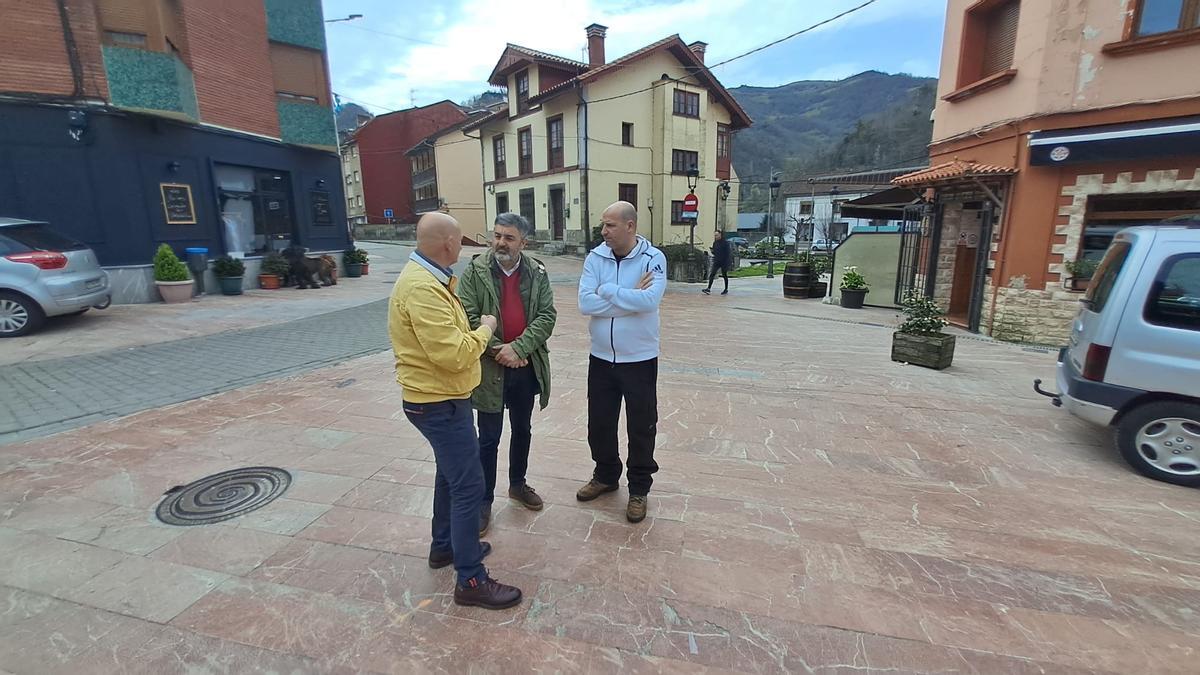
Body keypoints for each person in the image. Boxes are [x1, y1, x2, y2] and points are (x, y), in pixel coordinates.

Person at [387, 211, 522, 610]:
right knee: (467, 486)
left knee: (450, 476)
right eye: (461, 241)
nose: (463, 248)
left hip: (442, 397)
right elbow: (454, 352)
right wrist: (485, 327)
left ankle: (444, 545)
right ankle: (471, 579)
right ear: (447, 244)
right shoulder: (423, 288)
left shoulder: (432, 279)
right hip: (437, 401)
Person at [457, 213, 557, 535]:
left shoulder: (537, 272)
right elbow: (468, 316)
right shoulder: (475, 271)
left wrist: (520, 349)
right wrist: (501, 350)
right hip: (489, 370)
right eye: (497, 235)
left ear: (523, 243)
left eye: (508, 237)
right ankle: (483, 501)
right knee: (487, 438)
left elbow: (546, 316)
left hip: (525, 366)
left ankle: (517, 484)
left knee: (522, 430)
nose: (500, 242)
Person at [576, 201, 667, 523]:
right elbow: (585, 304)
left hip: (639, 359)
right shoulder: (595, 257)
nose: (604, 232)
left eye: (610, 225)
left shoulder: (653, 258)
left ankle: (639, 488)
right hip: (601, 357)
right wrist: (629, 296)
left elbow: (650, 300)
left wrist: (609, 290)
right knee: (599, 423)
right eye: (603, 224)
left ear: (630, 226)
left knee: (641, 425)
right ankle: (605, 475)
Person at [703, 230, 732, 295]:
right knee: (712, 274)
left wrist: (728, 262)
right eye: (715, 235)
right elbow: (715, 252)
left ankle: (726, 289)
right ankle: (708, 288)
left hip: (724, 262)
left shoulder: (725, 243)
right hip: (717, 261)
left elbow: (728, 253)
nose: (715, 236)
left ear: (720, 235)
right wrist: (712, 251)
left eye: (717, 235)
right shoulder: (715, 243)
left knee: (724, 275)